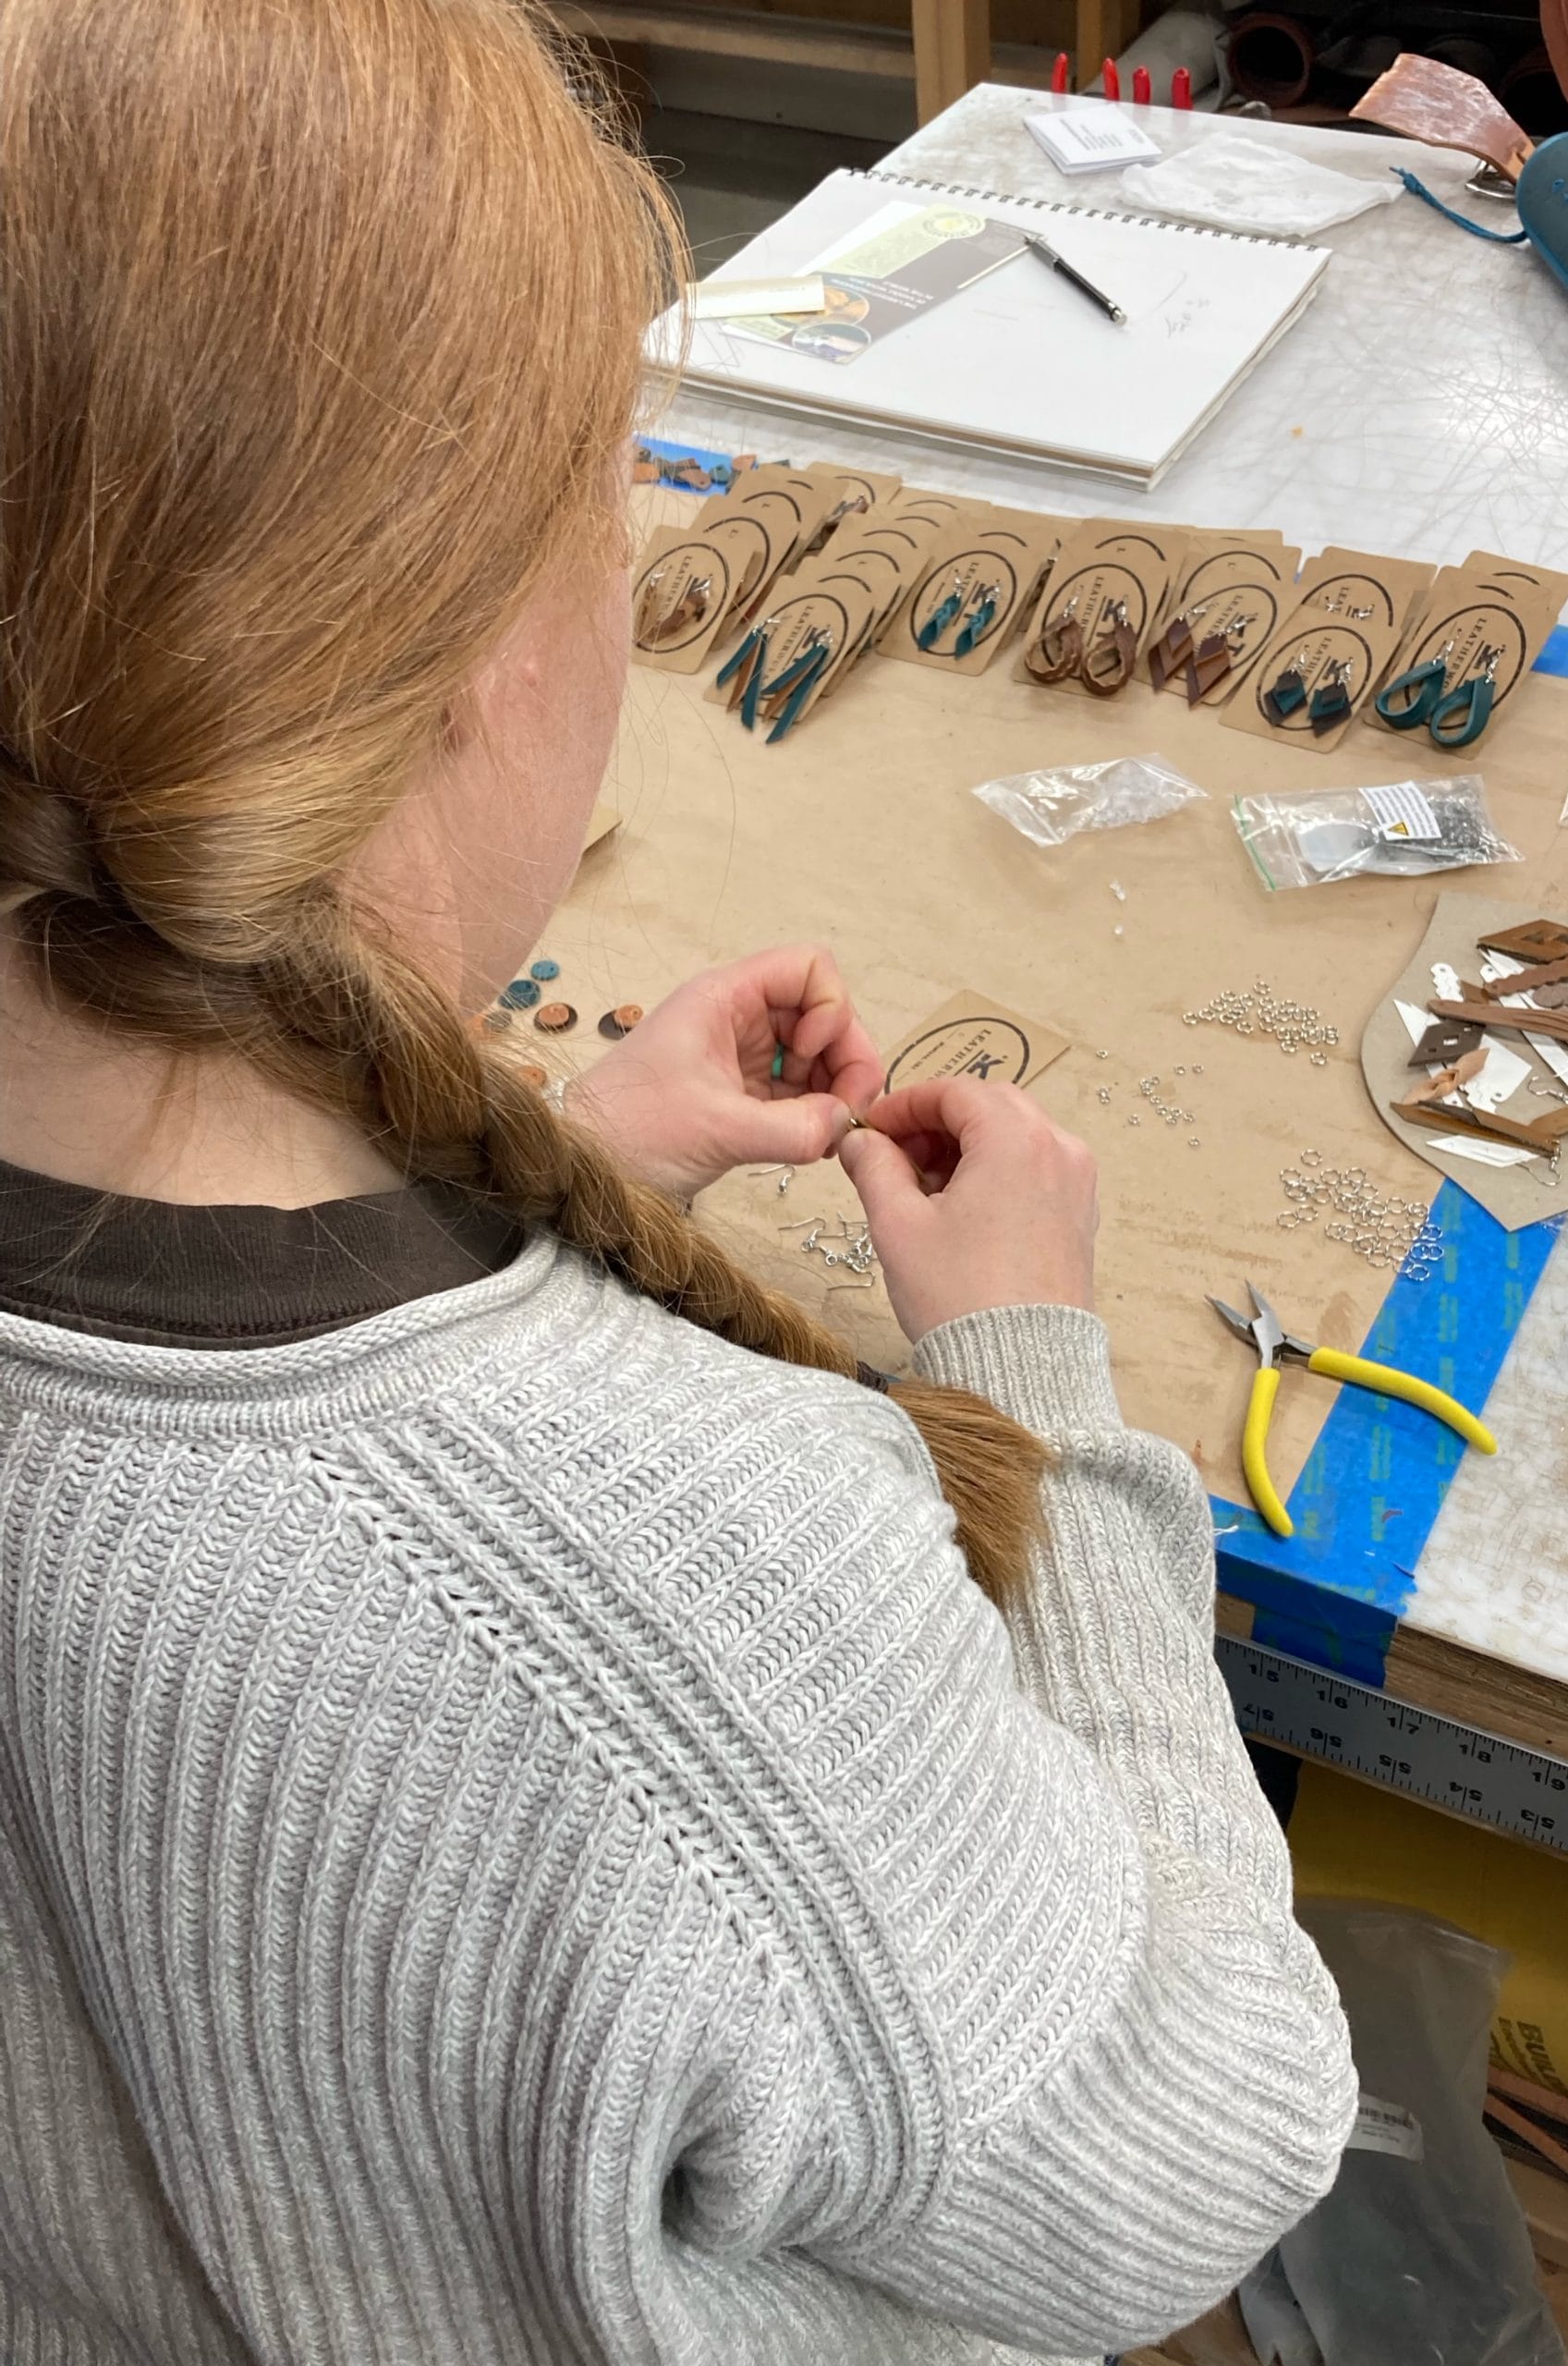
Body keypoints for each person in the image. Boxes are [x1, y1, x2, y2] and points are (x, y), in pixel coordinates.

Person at [0, 3, 1355, 2361]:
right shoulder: (688, 1592)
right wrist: (1045, 1388)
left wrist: (556, 1158)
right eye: (617, 487)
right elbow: (1191, 2142)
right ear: (456, 670)